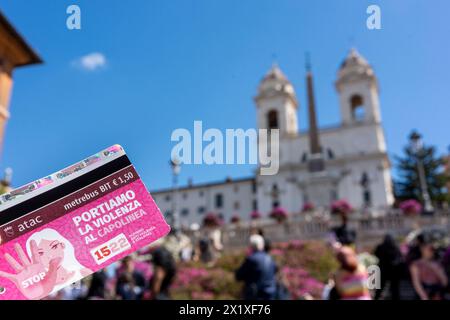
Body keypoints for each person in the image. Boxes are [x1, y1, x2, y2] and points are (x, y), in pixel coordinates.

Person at [235, 234, 277, 300]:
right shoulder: (269, 258)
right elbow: (274, 271)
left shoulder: (251, 259)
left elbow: (239, 275)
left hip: (256, 294)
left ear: (251, 246)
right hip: (270, 293)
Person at [374, 234, 404, 300]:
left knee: (380, 288)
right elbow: (400, 257)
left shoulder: (380, 247)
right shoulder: (395, 247)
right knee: (395, 289)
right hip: (393, 271)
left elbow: (376, 254)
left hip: (383, 270)